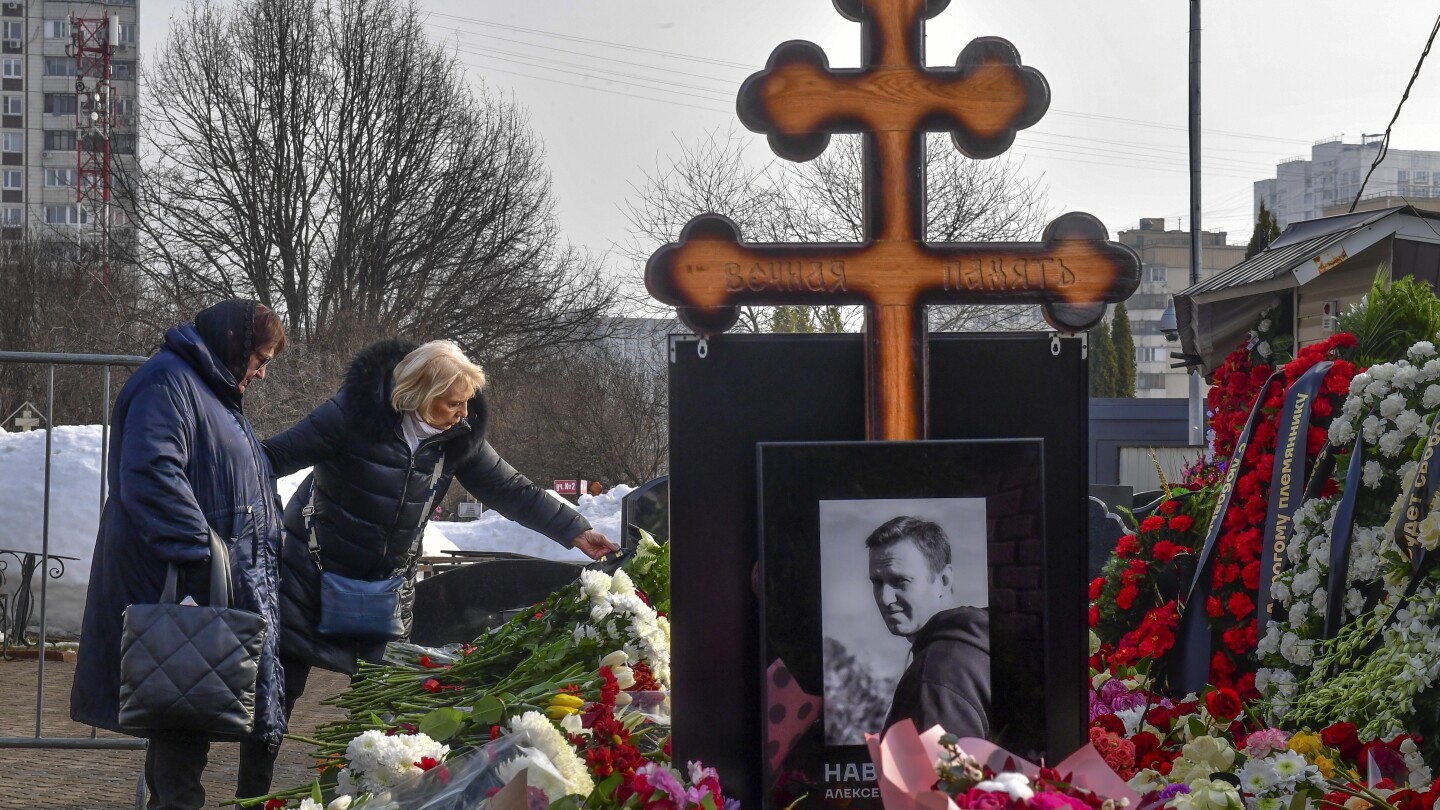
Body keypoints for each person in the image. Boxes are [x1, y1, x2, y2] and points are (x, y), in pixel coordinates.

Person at [253, 338, 619, 790]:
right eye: (452, 404)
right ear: (419, 396)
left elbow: (512, 490)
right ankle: (251, 792)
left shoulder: (458, 438)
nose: (463, 414)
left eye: (467, 403)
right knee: (273, 705)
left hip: (385, 591)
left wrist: (575, 531)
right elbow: (268, 458)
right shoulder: (350, 415)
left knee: (381, 711)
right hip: (307, 581)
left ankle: (358, 797)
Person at [71, 300, 288, 810]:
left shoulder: (209, 390)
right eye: (259, 359)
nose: (260, 372)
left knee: (184, 718)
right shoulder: (168, 383)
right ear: (235, 345)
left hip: (204, 580)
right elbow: (151, 475)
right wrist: (203, 555)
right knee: (183, 716)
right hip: (181, 580)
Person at [866, 515, 990, 738]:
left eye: (900, 581)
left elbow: (947, 772)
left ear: (944, 580)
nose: (885, 598)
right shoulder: (974, 648)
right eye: (877, 582)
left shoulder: (938, 669)